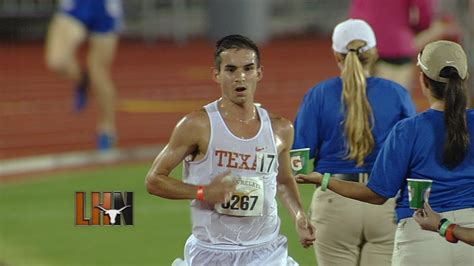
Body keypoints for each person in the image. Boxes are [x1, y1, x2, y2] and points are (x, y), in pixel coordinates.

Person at [296, 40, 474, 265]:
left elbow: (377, 194)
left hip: (422, 234)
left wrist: (325, 179)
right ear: (464, 78)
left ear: (423, 80)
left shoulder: (408, 130)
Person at [145, 34, 315, 266]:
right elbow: (154, 180)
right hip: (212, 251)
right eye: (231, 70)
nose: (240, 77)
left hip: (266, 251)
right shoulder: (198, 125)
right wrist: (203, 192)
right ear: (217, 74)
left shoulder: (281, 129)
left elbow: (284, 180)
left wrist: (298, 216)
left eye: (248, 68)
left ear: (259, 73)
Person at [292, 19, 416, 266]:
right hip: (384, 201)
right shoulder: (397, 94)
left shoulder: (318, 95)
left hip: (334, 202)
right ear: (375, 53)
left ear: (337, 55)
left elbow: (299, 164)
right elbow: (413, 156)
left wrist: (299, 213)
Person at [45, 0, 123, 150]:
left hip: (104, 7)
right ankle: (83, 80)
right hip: (77, 4)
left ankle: (107, 129)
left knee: (99, 73)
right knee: (57, 61)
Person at [350, 0, 435, 92]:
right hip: (395, 46)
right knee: (393, 100)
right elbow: (424, 11)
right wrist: (416, 29)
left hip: (361, 42)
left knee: (359, 99)